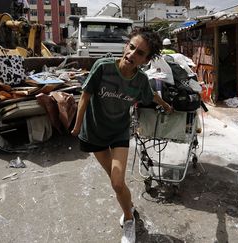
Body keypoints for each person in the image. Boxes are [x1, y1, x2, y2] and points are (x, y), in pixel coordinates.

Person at [71, 27, 172, 243]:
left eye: (140, 53)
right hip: (95, 133)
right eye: (131, 47)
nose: (132, 55)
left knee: (117, 183)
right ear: (126, 46)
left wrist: (165, 104)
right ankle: (130, 206)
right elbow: (85, 94)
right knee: (116, 182)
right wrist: (77, 126)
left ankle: (128, 220)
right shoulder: (103, 67)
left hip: (119, 131)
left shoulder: (141, 80)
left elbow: (150, 95)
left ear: (146, 60)